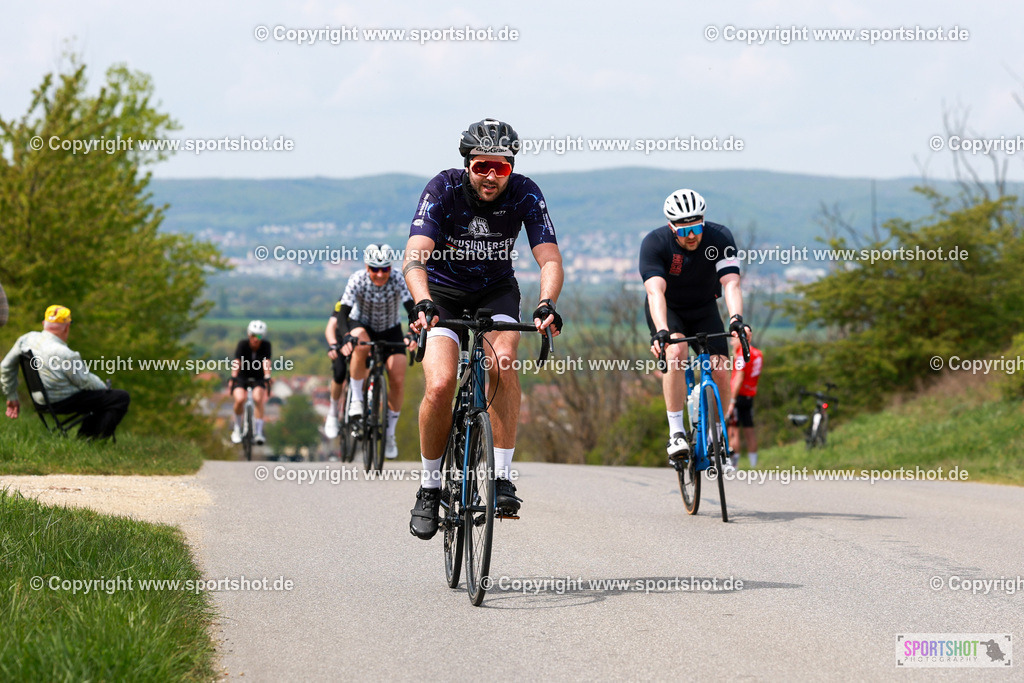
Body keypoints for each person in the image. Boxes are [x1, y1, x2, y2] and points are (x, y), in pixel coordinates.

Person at [403, 117, 564, 540]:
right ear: (467, 164)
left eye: (502, 167)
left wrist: (547, 303)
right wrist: (422, 301)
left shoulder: (526, 192)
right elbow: (415, 256)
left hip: (496, 291)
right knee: (439, 385)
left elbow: (548, 258)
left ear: (511, 167)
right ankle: (430, 487)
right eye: (482, 166)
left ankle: (502, 479)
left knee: (503, 362)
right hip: (442, 293)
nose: (491, 175)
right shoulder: (443, 189)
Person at [640, 188, 750, 471]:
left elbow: (731, 284)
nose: (692, 236)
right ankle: (676, 433)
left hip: (704, 309)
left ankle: (716, 434)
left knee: (720, 369)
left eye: (697, 227)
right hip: (670, 310)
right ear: (671, 226)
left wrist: (736, 319)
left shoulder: (720, 237)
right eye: (684, 229)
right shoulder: (655, 243)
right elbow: (655, 293)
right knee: (676, 354)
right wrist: (661, 332)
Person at [324, 244, 416, 459]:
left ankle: (390, 434)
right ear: (367, 267)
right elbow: (343, 312)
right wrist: (346, 337)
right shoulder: (357, 279)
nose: (380, 274)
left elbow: (411, 308)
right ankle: (356, 400)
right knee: (360, 343)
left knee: (398, 376)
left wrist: (412, 334)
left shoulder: (397, 279)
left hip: (390, 329)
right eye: (375, 269)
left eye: (385, 269)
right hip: (361, 324)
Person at [1, 305, 130, 440]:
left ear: (44, 323)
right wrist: (104, 387)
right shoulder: (65, 353)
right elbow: (84, 381)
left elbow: (5, 366)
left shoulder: (26, 339)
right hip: (61, 401)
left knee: (99, 397)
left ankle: (85, 438)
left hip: (39, 399)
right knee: (120, 397)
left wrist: (12, 396)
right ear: (67, 327)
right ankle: (92, 440)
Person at [229, 320, 272, 445]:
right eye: (253, 335)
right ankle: (237, 429)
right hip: (242, 376)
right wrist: (233, 376)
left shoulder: (266, 346)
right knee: (240, 399)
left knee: (258, 398)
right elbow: (237, 361)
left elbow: (266, 361)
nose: (255, 339)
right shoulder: (242, 345)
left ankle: (258, 432)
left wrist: (267, 376)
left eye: (259, 336)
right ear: (249, 335)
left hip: (258, 377)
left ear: (262, 337)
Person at [726, 335, 763, 468]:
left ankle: (733, 464)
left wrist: (732, 400)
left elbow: (740, 377)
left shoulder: (742, 354)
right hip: (749, 395)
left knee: (734, 430)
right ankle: (754, 465)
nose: (731, 342)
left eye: (733, 339)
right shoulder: (757, 353)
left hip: (738, 395)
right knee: (749, 430)